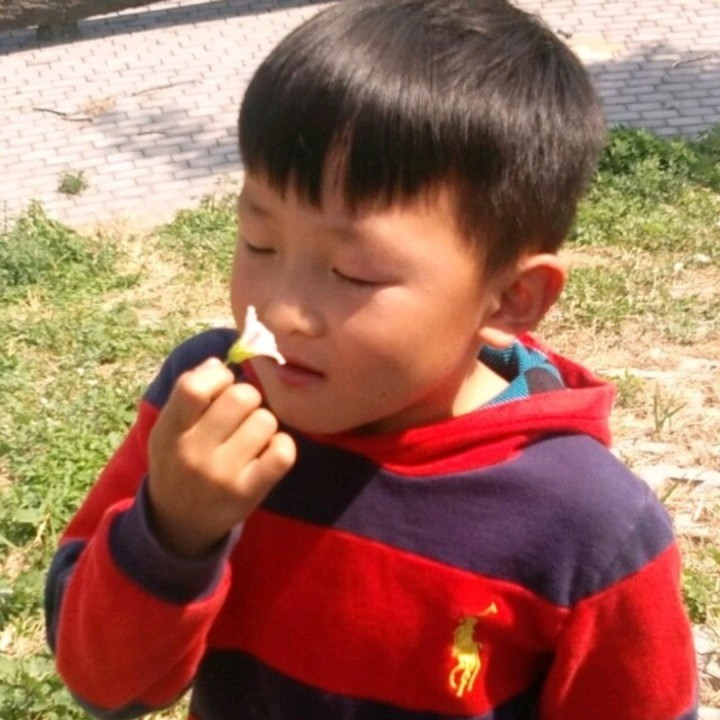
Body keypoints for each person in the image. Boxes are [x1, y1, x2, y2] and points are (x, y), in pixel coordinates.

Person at [45, 0, 698, 718]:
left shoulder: (588, 530)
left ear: (512, 298)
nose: (281, 312)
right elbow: (104, 685)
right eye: (259, 243)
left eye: (354, 274)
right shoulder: (207, 404)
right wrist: (172, 532)